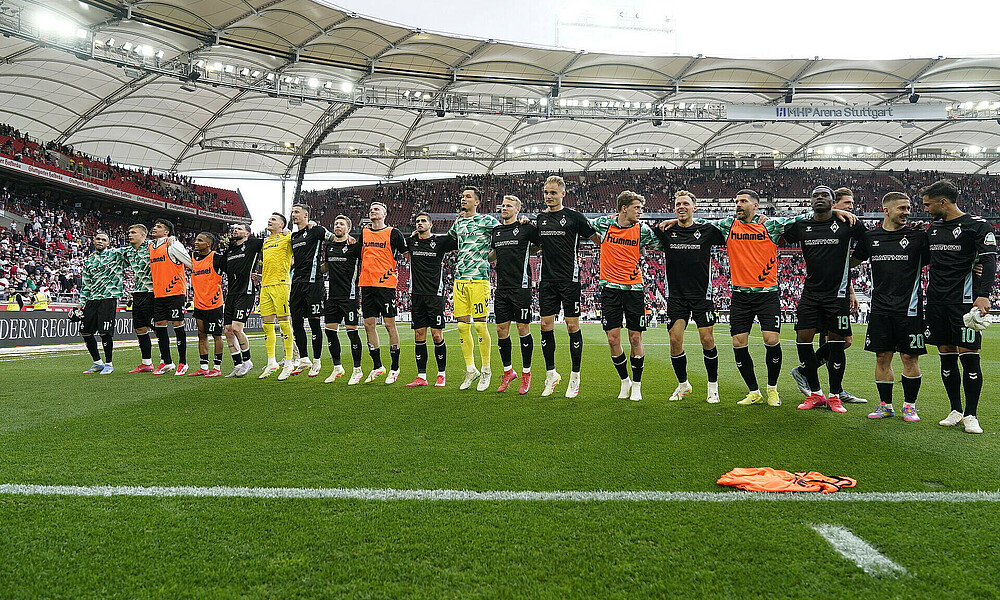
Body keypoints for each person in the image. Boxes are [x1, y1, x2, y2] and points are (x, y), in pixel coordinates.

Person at [682, 190, 816, 406]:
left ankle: (772, 389)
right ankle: (754, 391)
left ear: (755, 205)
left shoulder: (770, 226)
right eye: (736, 201)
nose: (738, 205)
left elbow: (804, 217)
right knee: (738, 342)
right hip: (740, 295)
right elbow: (697, 223)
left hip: (767, 294)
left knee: (771, 340)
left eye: (743, 201)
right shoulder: (728, 226)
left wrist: (835, 210)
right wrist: (676, 219)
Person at [783, 186, 867, 413]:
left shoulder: (848, 224)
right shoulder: (802, 225)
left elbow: (869, 242)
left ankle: (835, 396)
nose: (820, 198)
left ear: (832, 201)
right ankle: (815, 394)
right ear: (810, 201)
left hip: (836, 296)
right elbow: (779, 233)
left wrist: (850, 264)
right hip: (810, 294)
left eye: (825, 196)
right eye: (815, 196)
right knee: (803, 340)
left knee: (837, 345)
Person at [921, 180, 996, 434]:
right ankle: (955, 409)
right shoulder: (933, 229)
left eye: (928, 204)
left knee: (970, 357)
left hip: (964, 303)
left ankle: (972, 414)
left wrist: (983, 294)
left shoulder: (977, 226)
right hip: (937, 301)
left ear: (943, 202)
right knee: (946, 355)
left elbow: (989, 261)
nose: (926, 209)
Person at [851, 192, 929, 421]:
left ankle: (909, 406)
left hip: (910, 309)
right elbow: (850, 261)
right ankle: (885, 405)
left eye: (908, 208)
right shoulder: (871, 237)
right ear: (886, 210)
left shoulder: (918, 237)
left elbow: (944, 259)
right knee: (882, 357)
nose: (907, 212)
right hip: (880, 309)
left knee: (909, 358)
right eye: (902, 208)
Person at [653, 191, 727, 403]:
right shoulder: (666, 231)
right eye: (678, 204)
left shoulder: (707, 230)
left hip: (701, 295)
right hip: (676, 296)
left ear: (694, 207)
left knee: (707, 339)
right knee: (675, 340)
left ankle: (713, 386)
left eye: (686, 203)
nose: (681, 207)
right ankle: (683, 384)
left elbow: (731, 227)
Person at [530, 175, 600, 397]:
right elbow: (534, 247)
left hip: (569, 279)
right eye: (546, 193)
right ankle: (551, 375)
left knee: (572, 327)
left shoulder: (574, 218)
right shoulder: (540, 219)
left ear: (563, 193)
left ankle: (575, 377)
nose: (549, 196)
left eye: (553, 192)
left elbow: (598, 239)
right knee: (545, 326)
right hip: (547, 281)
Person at [589, 191, 661, 401]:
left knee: (635, 337)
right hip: (609, 289)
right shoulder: (604, 224)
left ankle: (637, 385)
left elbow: (662, 244)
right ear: (624, 208)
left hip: (634, 289)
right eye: (637, 207)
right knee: (613, 339)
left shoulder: (642, 230)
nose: (641, 211)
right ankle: (624, 381)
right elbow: (581, 226)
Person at [448, 186, 501, 391]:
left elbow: (501, 238)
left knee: (480, 326)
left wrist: (487, 260)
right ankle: (471, 369)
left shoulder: (488, 221)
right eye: (462, 196)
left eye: (468, 197)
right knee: (462, 326)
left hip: (479, 279)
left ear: (477, 202)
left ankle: (486, 369)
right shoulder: (459, 222)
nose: (463, 199)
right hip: (460, 279)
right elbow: (450, 239)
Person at [490, 195, 537, 394]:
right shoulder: (497, 232)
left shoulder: (526, 228)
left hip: (521, 287)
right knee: (501, 330)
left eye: (509, 206)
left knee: (522, 328)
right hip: (502, 288)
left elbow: (541, 243)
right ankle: (508, 372)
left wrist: (526, 245)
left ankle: (526, 374)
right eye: (503, 206)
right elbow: (492, 255)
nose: (504, 208)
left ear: (518, 210)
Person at [358, 201, 408, 384]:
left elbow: (407, 253)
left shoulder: (393, 233)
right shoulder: (363, 232)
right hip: (366, 284)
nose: (372, 211)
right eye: (371, 209)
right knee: (368, 325)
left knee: (389, 325)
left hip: (386, 285)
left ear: (385, 213)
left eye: (376, 209)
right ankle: (378, 366)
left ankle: (395, 367)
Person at [406, 212, 457, 387]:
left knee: (436, 335)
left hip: (435, 295)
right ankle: (421, 376)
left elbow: (457, 237)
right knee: (419, 335)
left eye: (423, 221)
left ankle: (441, 374)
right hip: (417, 295)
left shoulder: (440, 242)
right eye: (417, 221)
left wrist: (459, 221)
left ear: (430, 224)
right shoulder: (411, 241)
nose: (419, 223)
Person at [288, 203, 336, 377]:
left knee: (314, 322)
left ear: (306, 215)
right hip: (297, 282)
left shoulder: (316, 230)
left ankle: (317, 361)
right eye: (292, 212)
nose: (293, 215)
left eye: (297, 212)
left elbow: (333, 238)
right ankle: (304, 359)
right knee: (297, 322)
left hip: (313, 282)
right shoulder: (293, 236)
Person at [321, 215, 365, 385]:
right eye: (335, 223)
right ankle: (337, 367)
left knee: (351, 332)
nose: (337, 226)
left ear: (348, 228)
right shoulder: (330, 247)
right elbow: (326, 267)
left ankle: (357, 370)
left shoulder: (354, 247)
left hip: (350, 295)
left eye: (341, 224)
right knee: (330, 331)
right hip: (332, 296)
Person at [149, 218, 192, 375]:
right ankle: (167, 362)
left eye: (159, 226)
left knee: (177, 325)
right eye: (155, 225)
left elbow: (190, 263)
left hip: (175, 292)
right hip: (159, 293)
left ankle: (183, 362)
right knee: (159, 326)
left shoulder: (173, 244)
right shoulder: (151, 246)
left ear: (167, 232)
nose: (155, 228)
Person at [258, 212, 297, 380]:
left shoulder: (288, 239)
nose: (269, 220)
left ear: (282, 225)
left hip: (281, 284)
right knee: (267, 325)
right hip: (265, 286)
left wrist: (290, 233)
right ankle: (271, 361)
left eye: (273, 219)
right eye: (269, 219)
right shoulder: (265, 242)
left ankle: (289, 361)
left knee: (284, 323)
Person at [78, 232, 124, 375]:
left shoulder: (115, 255)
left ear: (108, 243)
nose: (100, 241)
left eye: (104, 240)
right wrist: (81, 302)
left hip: (108, 298)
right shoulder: (88, 261)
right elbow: (86, 284)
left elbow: (133, 250)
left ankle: (109, 364)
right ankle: (97, 362)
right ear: (93, 241)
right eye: (98, 239)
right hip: (92, 299)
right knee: (85, 330)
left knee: (105, 332)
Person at [220, 223, 262, 377]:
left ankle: (247, 361)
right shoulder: (229, 250)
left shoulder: (253, 244)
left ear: (247, 233)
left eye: (239, 228)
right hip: (231, 293)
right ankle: (237, 364)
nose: (235, 230)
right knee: (228, 330)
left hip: (246, 291)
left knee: (237, 328)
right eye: (234, 229)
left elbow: (272, 244)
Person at [187, 232, 227, 377]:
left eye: (200, 240)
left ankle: (216, 367)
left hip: (214, 304)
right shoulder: (192, 258)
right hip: (199, 303)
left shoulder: (216, 258)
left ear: (208, 244)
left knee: (217, 335)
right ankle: (203, 367)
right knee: (201, 334)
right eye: (196, 239)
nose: (196, 242)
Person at [122, 224, 156, 373]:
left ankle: (165, 361)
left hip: (153, 292)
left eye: (133, 232)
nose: (130, 235)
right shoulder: (128, 251)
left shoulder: (152, 246)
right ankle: (146, 363)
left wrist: (172, 238)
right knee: (140, 328)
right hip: (138, 293)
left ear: (143, 235)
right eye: (129, 232)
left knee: (157, 328)